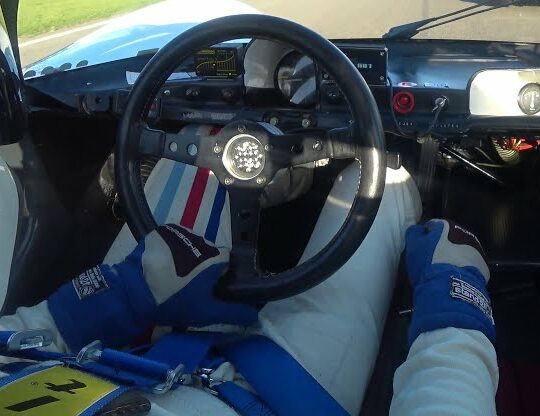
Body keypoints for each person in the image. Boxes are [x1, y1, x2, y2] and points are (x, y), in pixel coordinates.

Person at [0, 155, 499, 415]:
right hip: (284, 399)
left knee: (190, 161)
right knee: (381, 175)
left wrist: (116, 296)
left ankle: (271, 177)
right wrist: (457, 312)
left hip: (119, 366)